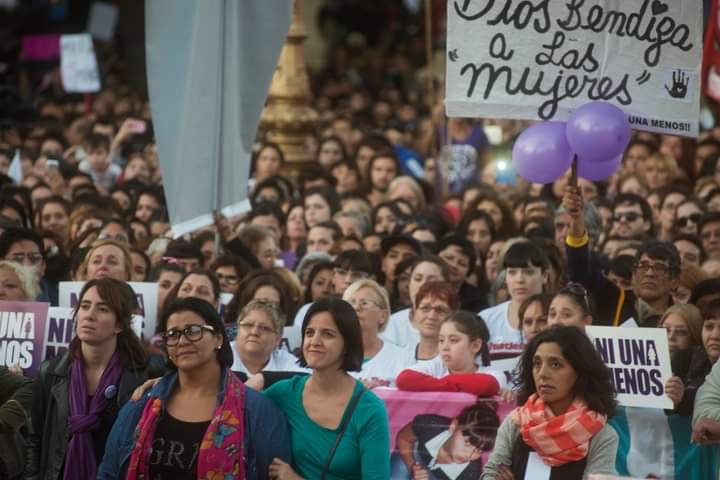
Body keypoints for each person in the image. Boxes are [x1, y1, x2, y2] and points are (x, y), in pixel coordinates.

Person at [98, 297, 291, 478]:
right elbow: (109, 472)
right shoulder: (141, 404)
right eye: (172, 334)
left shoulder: (258, 412)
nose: (182, 341)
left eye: (193, 331)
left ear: (218, 338)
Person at [26, 278, 165, 480]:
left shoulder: (149, 371)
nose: (89, 315)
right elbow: (35, 438)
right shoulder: (51, 372)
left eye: (103, 309)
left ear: (119, 324)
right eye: (84, 306)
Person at [264, 297, 390, 479]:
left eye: (327, 334)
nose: (314, 341)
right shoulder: (283, 393)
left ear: (347, 343)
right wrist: (261, 378)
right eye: (309, 333)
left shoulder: (370, 410)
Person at [481, 326, 618, 479]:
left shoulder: (602, 434)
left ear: (580, 371)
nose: (542, 374)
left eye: (555, 364)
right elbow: (492, 474)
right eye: (537, 363)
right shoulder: (516, 421)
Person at [397, 311, 503, 395]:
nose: (445, 347)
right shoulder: (437, 365)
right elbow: (404, 378)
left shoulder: (494, 374)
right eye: (441, 340)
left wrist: (435, 384)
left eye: (453, 340)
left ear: (475, 345)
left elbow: (489, 384)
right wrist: (450, 385)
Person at [393, 401, 500, 480]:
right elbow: (404, 439)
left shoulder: (470, 474)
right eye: (467, 443)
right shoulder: (431, 424)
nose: (469, 455)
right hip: (412, 456)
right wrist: (411, 465)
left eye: (479, 450)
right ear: (454, 426)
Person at [479, 241, 549, 360]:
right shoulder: (485, 319)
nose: (519, 279)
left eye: (529, 272)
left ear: (544, 276)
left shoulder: (556, 319)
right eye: (512, 272)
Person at [342, 279, 412, 387]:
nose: (356, 308)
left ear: (382, 316)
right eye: (351, 303)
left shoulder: (402, 358)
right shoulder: (331, 356)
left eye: (364, 303)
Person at [231, 299, 304, 376]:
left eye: (264, 328)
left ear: (277, 338)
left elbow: (307, 379)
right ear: (238, 329)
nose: (254, 332)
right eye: (248, 325)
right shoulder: (220, 356)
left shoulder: (287, 362)